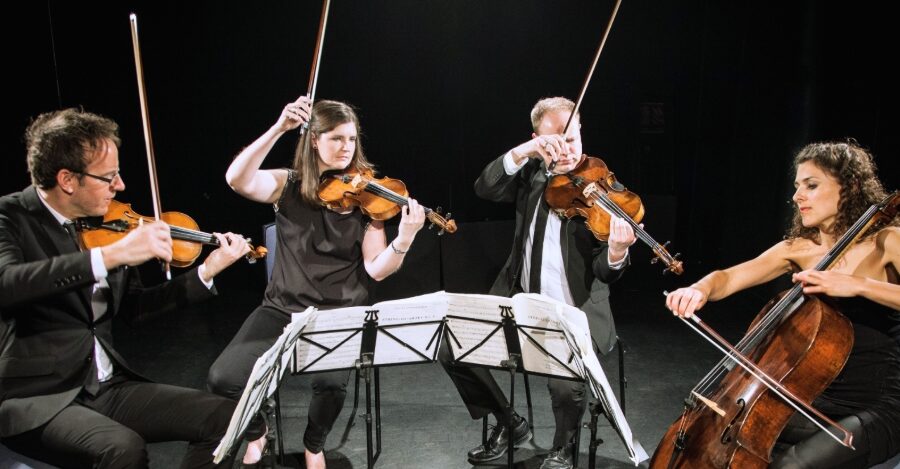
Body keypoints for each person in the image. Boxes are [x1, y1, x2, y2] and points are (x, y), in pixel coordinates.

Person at [0, 108, 250, 468]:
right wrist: (109, 256)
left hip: (106, 387)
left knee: (226, 417)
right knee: (122, 447)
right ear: (68, 179)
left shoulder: (110, 224)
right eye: (109, 176)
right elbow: (9, 285)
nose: (120, 186)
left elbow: (134, 309)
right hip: (39, 398)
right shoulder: (11, 217)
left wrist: (206, 272)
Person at [207, 96, 425, 468]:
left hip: (338, 315)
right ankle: (259, 431)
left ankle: (314, 443)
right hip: (281, 310)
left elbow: (375, 269)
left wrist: (404, 239)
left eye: (352, 139)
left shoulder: (367, 197)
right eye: (336, 138)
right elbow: (236, 179)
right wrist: (279, 128)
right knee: (222, 378)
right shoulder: (288, 185)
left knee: (331, 385)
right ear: (313, 140)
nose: (346, 148)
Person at [666, 141, 900, 468]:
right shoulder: (798, 248)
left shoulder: (886, 240)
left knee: (791, 466)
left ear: (851, 187)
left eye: (812, 185)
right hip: (811, 399)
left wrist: (857, 284)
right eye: (797, 186)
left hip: (876, 406)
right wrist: (699, 289)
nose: (797, 196)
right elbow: (729, 277)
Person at [439, 97, 636, 469]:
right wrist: (526, 152)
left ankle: (563, 447)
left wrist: (616, 251)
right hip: (517, 303)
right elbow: (485, 186)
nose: (566, 151)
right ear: (537, 140)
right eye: (554, 142)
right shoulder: (531, 175)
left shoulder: (603, 190)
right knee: (453, 346)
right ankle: (509, 423)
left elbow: (606, 273)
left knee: (564, 381)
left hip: (574, 313)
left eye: (573, 140)